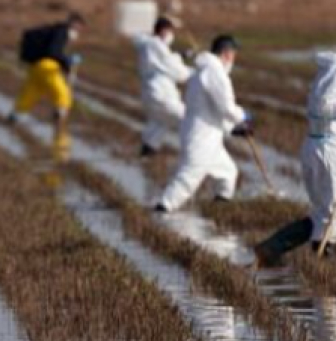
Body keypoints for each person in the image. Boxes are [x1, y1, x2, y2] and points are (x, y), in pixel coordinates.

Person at [154, 35, 253, 213]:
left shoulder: (204, 70)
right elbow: (225, 106)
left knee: (228, 173)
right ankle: (161, 210)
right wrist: (242, 117)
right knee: (188, 179)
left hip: (209, 137)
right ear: (226, 53)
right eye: (233, 53)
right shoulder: (214, 72)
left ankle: (220, 210)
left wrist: (233, 128)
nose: (234, 58)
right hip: (201, 138)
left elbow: (212, 109)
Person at [255, 52, 336, 265]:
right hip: (329, 152)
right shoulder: (330, 92)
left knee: (322, 214)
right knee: (329, 215)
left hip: (313, 148)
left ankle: (273, 247)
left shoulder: (320, 88)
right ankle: (323, 265)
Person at [6, 12, 86, 127]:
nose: (78, 32)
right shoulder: (62, 32)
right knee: (61, 91)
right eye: (79, 28)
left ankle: (16, 115)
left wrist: (66, 65)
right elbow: (53, 52)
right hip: (46, 66)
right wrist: (68, 60)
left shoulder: (52, 30)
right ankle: (60, 115)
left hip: (35, 66)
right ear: (74, 24)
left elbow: (53, 52)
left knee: (32, 91)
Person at [135, 16, 192, 157]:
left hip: (150, 93)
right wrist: (196, 73)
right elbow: (176, 70)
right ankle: (193, 153)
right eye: (171, 31)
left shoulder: (148, 44)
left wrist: (180, 55)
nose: (172, 35)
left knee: (161, 121)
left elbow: (164, 60)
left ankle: (148, 150)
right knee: (190, 119)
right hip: (161, 93)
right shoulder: (156, 45)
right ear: (164, 30)